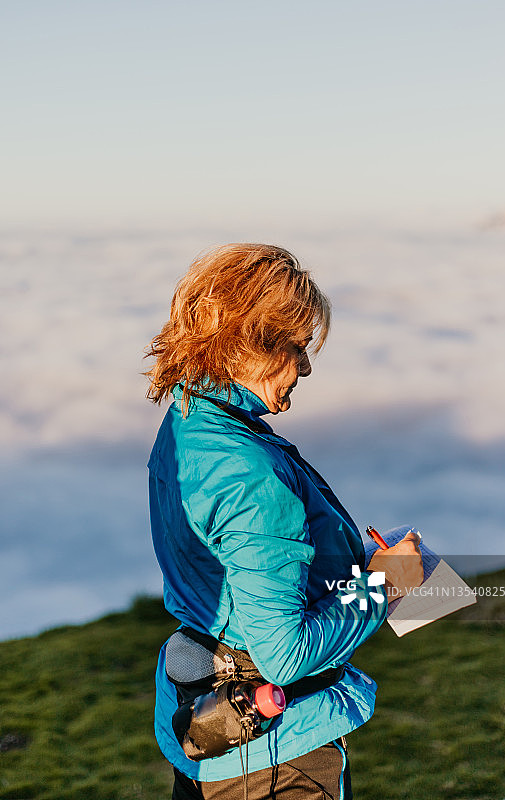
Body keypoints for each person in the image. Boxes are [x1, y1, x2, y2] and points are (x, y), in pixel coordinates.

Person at [145, 243, 423, 800]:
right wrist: (385, 585)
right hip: (275, 758)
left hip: (210, 719)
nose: (307, 363)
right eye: (296, 345)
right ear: (248, 343)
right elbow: (284, 652)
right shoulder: (250, 472)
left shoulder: (191, 422)